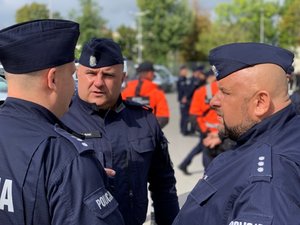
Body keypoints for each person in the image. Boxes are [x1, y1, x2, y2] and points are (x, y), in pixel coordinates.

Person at [0, 20, 124, 225]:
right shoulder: (65, 158)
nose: (74, 86)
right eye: (72, 75)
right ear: (53, 79)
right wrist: (81, 177)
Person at [172, 42, 298, 225]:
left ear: (260, 103)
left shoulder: (268, 180)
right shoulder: (276, 135)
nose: (213, 101)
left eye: (225, 92)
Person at [62, 38, 179, 225]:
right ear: (78, 74)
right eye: (91, 74)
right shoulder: (59, 119)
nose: (98, 82)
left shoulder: (144, 120)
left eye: (108, 75)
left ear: (123, 78)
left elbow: (163, 185)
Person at [122, 61, 170, 128]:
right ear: (150, 73)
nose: (154, 75)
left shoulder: (125, 90)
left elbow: (118, 112)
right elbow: (163, 118)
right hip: (149, 134)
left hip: (127, 133)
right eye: (153, 73)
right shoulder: (157, 92)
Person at [176, 65, 191, 135]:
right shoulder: (181, 79)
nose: (186, 72)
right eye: (184, 71)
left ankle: (184, 129)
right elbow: (183, 90)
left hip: (185, 100)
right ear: (181, 71)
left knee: (185, 116)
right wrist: (184, 97)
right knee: (184, 116)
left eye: (186, 71)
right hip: (183, 100)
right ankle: (183, 130)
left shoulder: (185, 79)